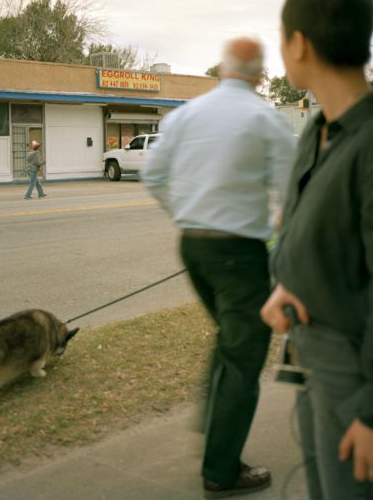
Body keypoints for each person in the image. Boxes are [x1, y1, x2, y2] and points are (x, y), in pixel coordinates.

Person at [260, 0, 373, 499]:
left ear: (300, 44)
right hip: (312, 352)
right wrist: (290, 286)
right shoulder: (319, 129)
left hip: (357, 372)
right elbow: (314, 234)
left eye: (281, 38)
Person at [143, 37, 295, 498]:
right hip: (239, 255)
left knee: (231, 341)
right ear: (259, 74)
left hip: (193, 248)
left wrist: (188, 213)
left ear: (222, 69)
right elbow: (292, 195)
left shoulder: (186, 114)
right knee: (243, 354)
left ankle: (214, 423)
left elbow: (153, 175)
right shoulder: (265, 118)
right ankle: (221, 470)